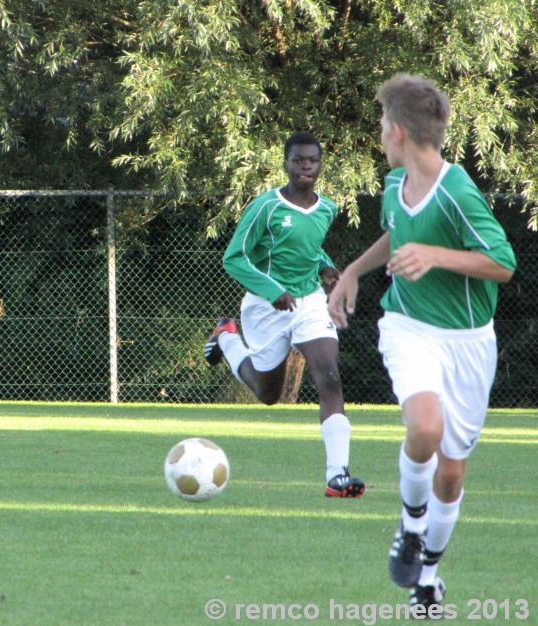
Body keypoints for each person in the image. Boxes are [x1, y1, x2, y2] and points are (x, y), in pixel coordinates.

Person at [327, 74, 516, 616]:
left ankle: (428, 576)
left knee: (452, 473)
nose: (380, 134)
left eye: (383, 125)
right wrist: (353, 273)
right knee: (424, 429)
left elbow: (502, 263)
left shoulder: (457, 192)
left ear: (401, 131)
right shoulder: (394, 186)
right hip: (408, 327)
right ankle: (410, 526)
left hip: (469, 344)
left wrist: (435, 254)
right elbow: (396, 234)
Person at [204, 131, 365, 498]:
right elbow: (234, 258)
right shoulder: (266, 206)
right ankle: (227, 337)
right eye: (298, 160)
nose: (306, 165)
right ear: (286, 164)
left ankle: (337, 476)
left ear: (320, 165)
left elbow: (309, 248)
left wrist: (325, 267)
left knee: (329, 374)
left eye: (313, 160)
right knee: (268, 394)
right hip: (266, 308)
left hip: (308, 302)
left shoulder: (327, 207)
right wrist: (271, 290)